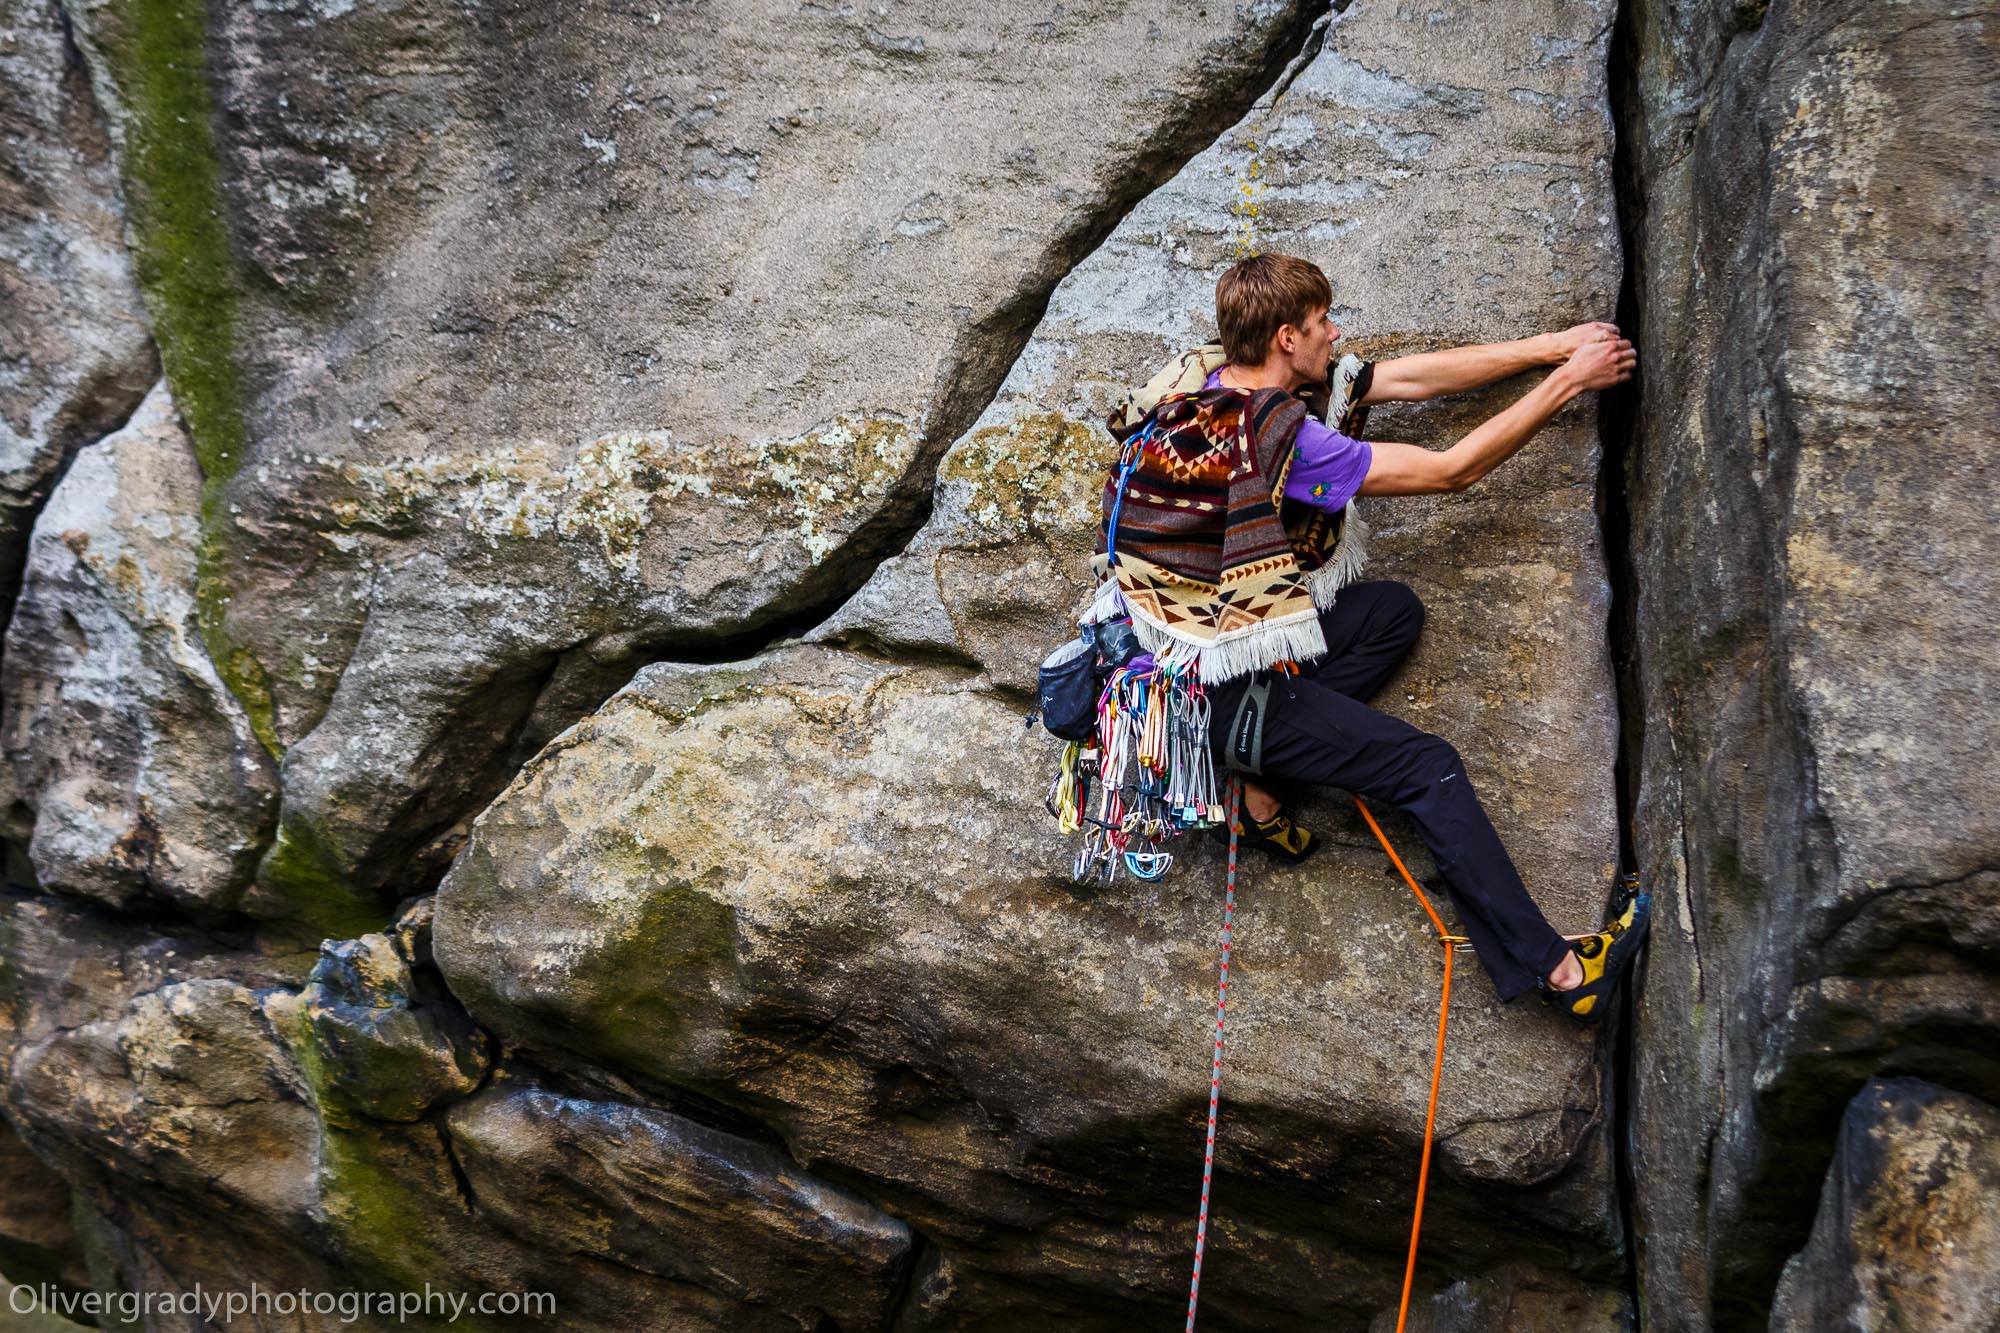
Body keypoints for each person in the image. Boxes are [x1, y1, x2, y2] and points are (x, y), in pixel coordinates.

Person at [1092, 253, 1647, 1022]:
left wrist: (1550, 346)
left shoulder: (1199, 382)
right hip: (1205, 695)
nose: (1337, 334)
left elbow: (1406, 379)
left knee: (1387, 612)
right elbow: (1451, 470)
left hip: (1163, 662)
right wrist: (1570, 383)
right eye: (1324, 325)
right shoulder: (1285, 438)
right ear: (1287, 337)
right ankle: (1558, 970)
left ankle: (1255, 786)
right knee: (1427, 767)